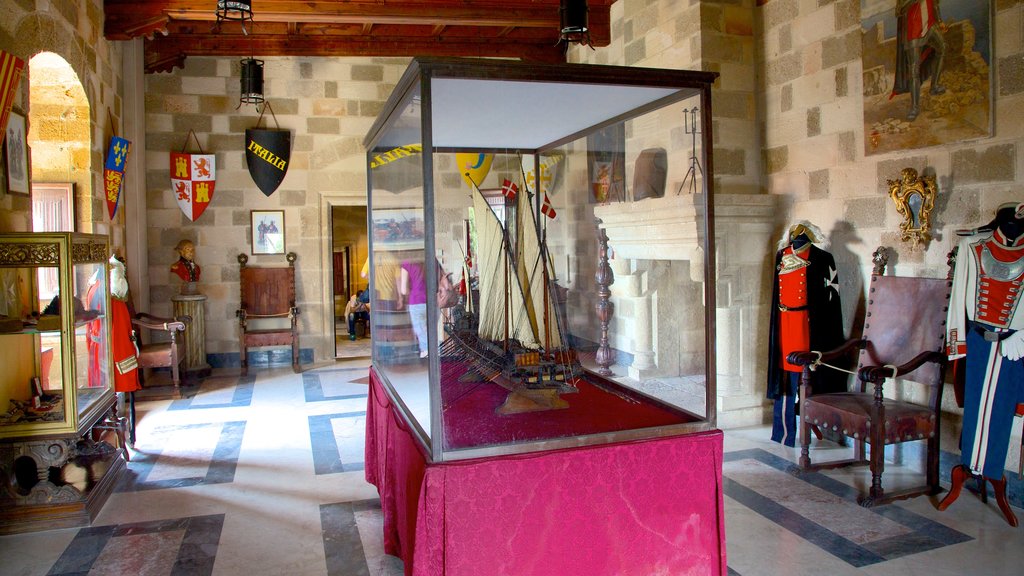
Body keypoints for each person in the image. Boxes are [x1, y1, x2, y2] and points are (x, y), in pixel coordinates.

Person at [945, 202, 1024, 482]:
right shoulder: (973, 245)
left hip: (1013, 347)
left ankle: (990, 472)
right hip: (978, 342)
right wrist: (957, 344)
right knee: (975, 409)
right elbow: (958, 300)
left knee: (1001, 411)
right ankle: (970, 466)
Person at [766, 221, 845, 447]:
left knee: (809, 375)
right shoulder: (782, 255)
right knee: (786, 380)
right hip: (785, 324)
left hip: (808, 326)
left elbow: (830, 300)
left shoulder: (822, 258)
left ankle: (817, 425)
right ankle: (784, 433)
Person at [892, 0, 947, 121]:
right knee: (913, 70)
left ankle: (934, 86)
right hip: (913, 30)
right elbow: (898, 11)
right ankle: (915, 107)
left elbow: (935, 3)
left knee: (942, 47)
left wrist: (939, 20)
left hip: (930, 25)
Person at [398, 259, 428, 358]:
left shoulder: (407, 263)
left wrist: (410, 291)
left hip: (416, 301)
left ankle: (426, 357)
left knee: (422, 334)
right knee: (430, 332)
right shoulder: (431, 259)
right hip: (433, 301)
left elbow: (403, 290)